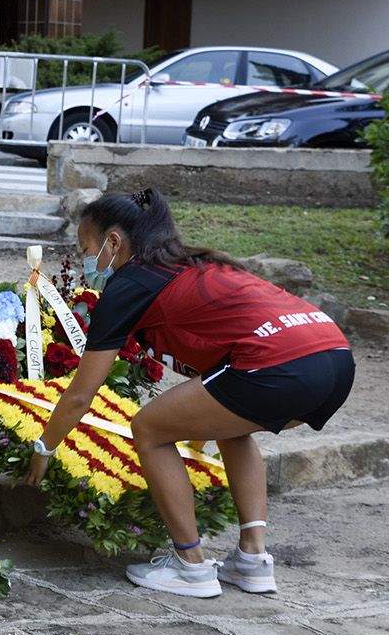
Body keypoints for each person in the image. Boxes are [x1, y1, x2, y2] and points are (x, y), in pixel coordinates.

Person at [24, 188, 353, 597]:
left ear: (113, 242)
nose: (85, 258)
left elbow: (80, 395)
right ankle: (252, 559)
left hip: (279, 365)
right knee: (232, 426)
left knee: (149, 428)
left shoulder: (128, 284)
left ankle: (190, 565)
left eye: (84, 247)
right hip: (334, 359)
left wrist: (44, 449)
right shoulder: (195, 263)